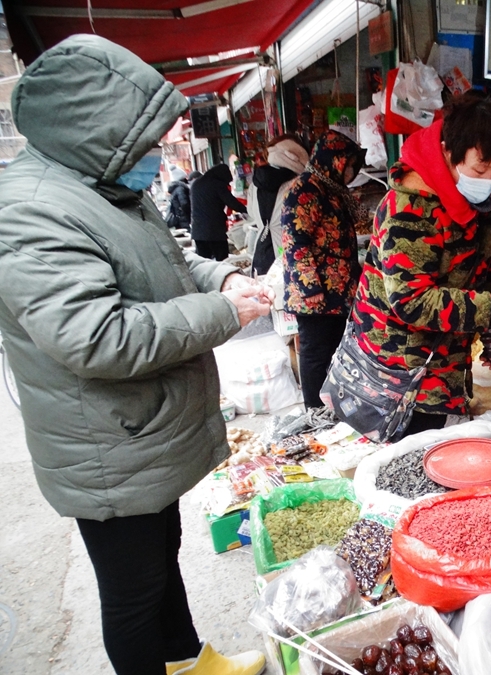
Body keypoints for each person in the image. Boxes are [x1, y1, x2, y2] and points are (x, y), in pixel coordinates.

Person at [0, 34, 272, 675]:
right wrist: (224, 313)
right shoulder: (32, 212)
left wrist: (224, 281)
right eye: (147, 143)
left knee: (162, 560)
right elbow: (95, 337)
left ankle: (190, 662)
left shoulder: (107, 185)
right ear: (99, 134)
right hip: (105, 447)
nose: (156, 157)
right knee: (132, 593)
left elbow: (170, 268)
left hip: (141, 432)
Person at [349, 92, 491, 437]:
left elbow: (489, 267)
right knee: (412, 454)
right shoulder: (408, 207)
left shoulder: (484, 201)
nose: (490, 177)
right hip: (401, 366)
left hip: (445, 358)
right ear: (449, 151)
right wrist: (488, 312)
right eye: (481, 168)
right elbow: (411, 300)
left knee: (438, 440)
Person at [281, 130, 367, 409]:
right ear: (335, 161)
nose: (353, 172)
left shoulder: (330, 189)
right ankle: (315, 412)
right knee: (316, 352)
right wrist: (310, 289)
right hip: (317, 294)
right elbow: (296, 242)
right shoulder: (305, 190)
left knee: (333, 350)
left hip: (337, 291)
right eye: (350, 165)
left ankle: (332, 408)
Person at [247, 134, 309, 277]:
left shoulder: (254, 185)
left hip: (261, 253)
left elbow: (251, 212)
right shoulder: (298, 185)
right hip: (290, 255)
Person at [190, 163, 247, 260]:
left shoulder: (196, 184)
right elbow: (232, 203)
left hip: (198, 230)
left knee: (204, 261)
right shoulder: (217, 184)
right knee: (222, 260)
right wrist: (247, 210)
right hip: (214, 230)